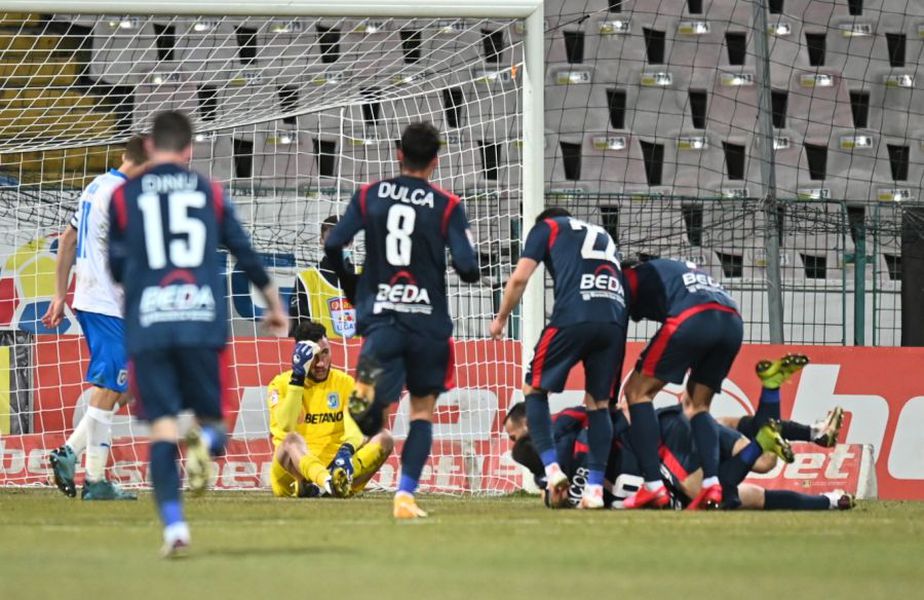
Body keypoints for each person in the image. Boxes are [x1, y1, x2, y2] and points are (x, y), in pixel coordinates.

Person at [107, 111, 287, 557]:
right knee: (218, 427)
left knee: (162, 431)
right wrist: (274, 304)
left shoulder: (125, 196)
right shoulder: (211, 192)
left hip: (150, 325)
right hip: (201, 321)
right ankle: (203, 446)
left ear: (150, 146)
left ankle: (174, 529)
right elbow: (245, 252)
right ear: (189, 150)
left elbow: (115, 267)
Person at [323, 121, 480, 519]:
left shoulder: (369, 196)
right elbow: (468, 268)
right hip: (428, 324)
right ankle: (405, 496)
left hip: (383, 320)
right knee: (422, 412)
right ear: (436, 161)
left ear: (399, 154)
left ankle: (368, 409)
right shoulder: (447, 205)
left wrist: (353, 283)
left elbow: (332, 243)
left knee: (367, 406)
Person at [490, 207, 628, 509]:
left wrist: (501, 318)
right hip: (614, 320)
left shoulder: (547, 228)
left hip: (574, 315)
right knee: (599, 405)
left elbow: (519, 279)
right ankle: (594, 491)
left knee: (534, 389)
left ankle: (552, 470)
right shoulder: (603, 234)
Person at [42, 135, 148, 501]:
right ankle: (87, 471)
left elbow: (68, 240)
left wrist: (60, 294)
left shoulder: (96, 186)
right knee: (114, 386)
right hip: (108, 303)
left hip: (96, 299)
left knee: (129, 384)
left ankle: (79, 458)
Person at [619, 258, 743, 510]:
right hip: (732, 321)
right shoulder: (674, 270)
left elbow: (615, 321)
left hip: (693, 317)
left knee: (636, 393)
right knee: (698, 405)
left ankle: (653, 486)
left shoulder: (628, 276)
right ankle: (711, 483)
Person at [267, 320, 393, 498]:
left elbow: (354, 424)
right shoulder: (279, 384)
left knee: (384, 438)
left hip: (335, 465)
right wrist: (298, 379)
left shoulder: (345, 382)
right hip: (293, 471)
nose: (321, 363)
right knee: (291, 440)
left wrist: (347, 449)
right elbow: (287, 425)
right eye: (314, 357)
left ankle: (333, 483)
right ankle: (327, 483)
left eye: (325, 353)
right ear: (300, 357)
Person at [288, 215, 356, 337]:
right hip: (321, 353)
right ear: (321, 241)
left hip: (361, 354)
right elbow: (296, 330)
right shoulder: (306, 279)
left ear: (351, 242)